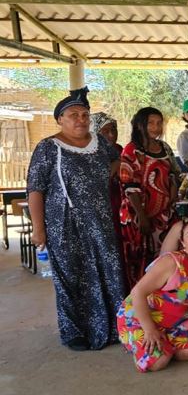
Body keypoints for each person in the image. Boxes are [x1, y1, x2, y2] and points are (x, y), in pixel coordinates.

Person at [27, 88, 125, 351]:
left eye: (84, 114)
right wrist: (39, 229)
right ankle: (75, 332)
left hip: (100, 222)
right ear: (60, 119)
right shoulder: (48, 148)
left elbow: (117, 159)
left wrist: (108, 174)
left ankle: (115, 326)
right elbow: (35, 189)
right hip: (64, 225)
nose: (80, 119)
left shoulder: (100, 143)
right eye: (73, 115)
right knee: (72, 276)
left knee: (108, 272)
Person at [117, 219, 188, 372]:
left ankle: (163, 345)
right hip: (142, 317)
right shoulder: (171, 262)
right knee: (159, 362)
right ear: (183, 242)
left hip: (178, 323)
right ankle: (139, 342)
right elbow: (137, 292)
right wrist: (149, 330)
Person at [120, 107, 180, 290]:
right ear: (140, 125)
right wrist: (142, 217)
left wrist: (173, 191)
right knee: (140, 261)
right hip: (139, 216)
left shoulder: (164, 148)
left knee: (165, 257)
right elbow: (129, 186)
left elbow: (174, 173)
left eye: (159, 123)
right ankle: (139, 302)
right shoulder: (132, 150)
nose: (156, 127)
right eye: (151, 123)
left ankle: (162, 301)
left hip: (164, 215)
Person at [90, 111, 123, 245]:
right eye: (105, 131)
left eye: (114, 130)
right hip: (102, 206)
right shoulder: (90, 154)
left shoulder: (121, 150)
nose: (111, 135)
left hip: (122, 204)